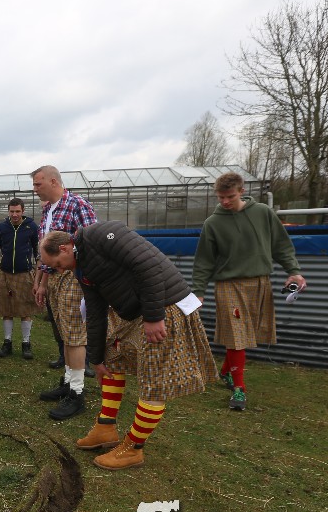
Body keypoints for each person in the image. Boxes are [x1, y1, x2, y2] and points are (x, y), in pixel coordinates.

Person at [41, 225, 217, 470]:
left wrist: (154, 317)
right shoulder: (82, 269)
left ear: (65, 248)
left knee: (155, 381)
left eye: (58, 264)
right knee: (113, 359)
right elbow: (95, 313)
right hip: (136, 313)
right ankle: (105, 427)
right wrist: (96, 359)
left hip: (165, 308)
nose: (60, 271)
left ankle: (133, 448)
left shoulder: (100, 235)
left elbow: (148, 265)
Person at [191, 172, 306, 411]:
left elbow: (281, 245)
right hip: (228, 285)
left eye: (230, 196)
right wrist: (199, 292)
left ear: (241, 192)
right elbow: (203, 261)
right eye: (220, 197)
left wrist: (294, 271)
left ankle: (227, 371)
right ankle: (239, 389)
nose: (225, 201)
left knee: (245, 335)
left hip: (259, 282)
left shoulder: (263, 213)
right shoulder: (212, 223)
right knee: (236, 335)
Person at [32, 165, 99, 421]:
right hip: (54, 277)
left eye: (38, 184)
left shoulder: (77, 205)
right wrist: (41, 281)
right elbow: (45, 253)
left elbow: (93, 243)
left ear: (53, 181)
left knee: (74, 336)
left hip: (73, 276)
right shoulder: (48, 209)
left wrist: (86, 282)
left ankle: (77, 393)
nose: (35, 189)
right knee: (64, 333)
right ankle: (69, 381)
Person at [0, 198, 40, 360]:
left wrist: (38, 273)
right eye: (12, 211)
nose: (14, 214)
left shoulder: (31, 227)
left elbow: (37, 250)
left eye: (17, 211)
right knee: (6, 310)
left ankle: (26, 343)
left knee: (25, 309)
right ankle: (7, 343)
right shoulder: (2, 227)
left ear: (23, 211)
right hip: (5, 273)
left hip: (24, 273)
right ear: (8, 211)